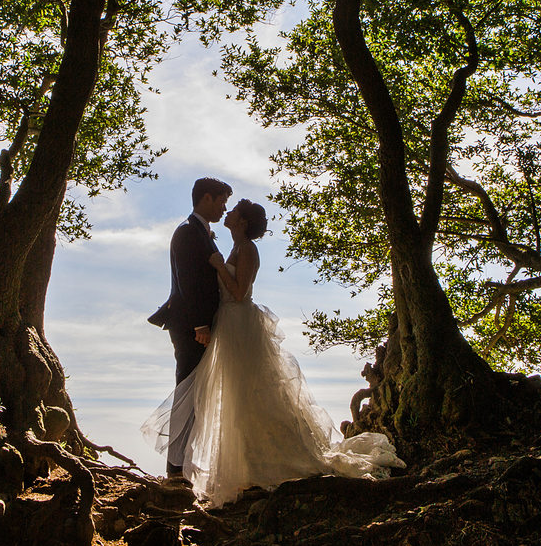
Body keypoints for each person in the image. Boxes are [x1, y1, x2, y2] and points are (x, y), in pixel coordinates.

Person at [143, 198, 405, 506]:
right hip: (228, 326)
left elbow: (239, 293)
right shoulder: (234, 248)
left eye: (233, 211)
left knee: (249, 395)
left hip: (240, 326)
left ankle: (266, 463)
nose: (227, 213)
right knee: (236, 398)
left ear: (242, 222)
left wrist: (217, 266)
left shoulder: (248, 250)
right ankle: (246, 464)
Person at [147, 177, 232, 477]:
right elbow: (188, 282)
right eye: (221, 201)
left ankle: (185, 467)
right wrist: (200, 324)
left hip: (200, 325)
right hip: (190, 326)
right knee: (186, 393)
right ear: (206, 199)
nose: (224, 208)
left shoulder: (202, 233)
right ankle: (175, 469)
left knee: (196, 395)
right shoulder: (186, 232)